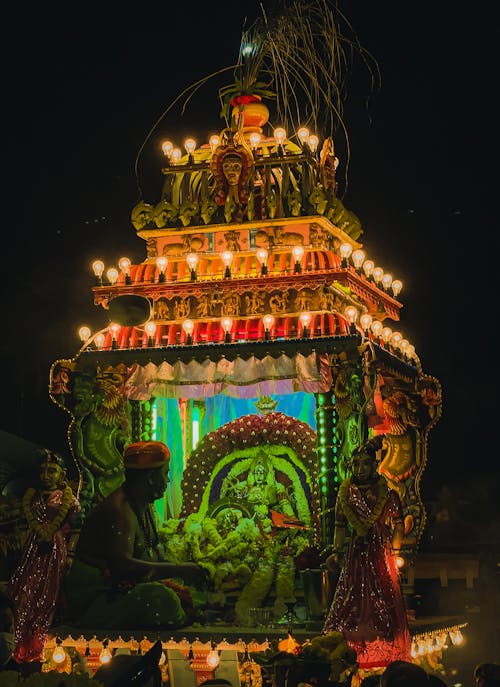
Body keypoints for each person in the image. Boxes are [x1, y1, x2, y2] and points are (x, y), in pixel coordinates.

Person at [63, 440, 207, 629]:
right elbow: (123, 567)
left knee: (191, 594)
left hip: (121, 588)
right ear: (151, 479)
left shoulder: (141, 504)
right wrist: (179, 569)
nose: (169, 481)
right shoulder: (118, 510)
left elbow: (150, 554)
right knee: (162, 600)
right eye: (166, 474)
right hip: (96, 596)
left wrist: (186, 572)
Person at [322, 436, 412, 669]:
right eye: (356, 464)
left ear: (375, 466)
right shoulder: (346, 495)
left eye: (365, 464)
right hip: (355, 551)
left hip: (380, 551)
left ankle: (383, 638)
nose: (360, 469)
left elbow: (398, 523)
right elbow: (340, 526)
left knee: (382, 592)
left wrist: (395, 550)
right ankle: (353, 639)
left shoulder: (387, 494)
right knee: (352, 591)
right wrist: (336, 551)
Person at [6, 449, 80, 665]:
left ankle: (38, 645)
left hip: (55, 549)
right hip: (32, 547)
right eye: (42, 471)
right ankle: (18, 643)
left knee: (48, 594)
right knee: (23, 592)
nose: (46, 475)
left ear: (62, 475)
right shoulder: (31, 497)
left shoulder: (68, 499)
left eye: (52, 471)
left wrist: (71, 554)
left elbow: (77, 528)